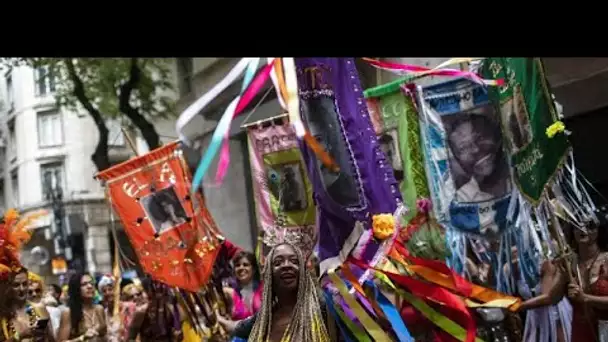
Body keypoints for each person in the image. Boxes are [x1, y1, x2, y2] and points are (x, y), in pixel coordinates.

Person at [220, 243, 330, 342]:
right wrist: (217, 317)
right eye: (278, 262)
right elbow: (236, 328)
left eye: (294, 261)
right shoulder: (264, 317)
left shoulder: (324, 308)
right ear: (268, 275)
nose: (286, 265)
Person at [446, 113, 511, 203]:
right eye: (464, 147)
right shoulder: (462, 200)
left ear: (496, 136)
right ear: (457, 159)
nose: (476, 149)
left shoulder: (519, 173)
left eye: (480, 138)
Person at [57, 273, 106, 342]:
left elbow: (104, 335)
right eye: (84, 284)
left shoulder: (99, 309)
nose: (89, 286)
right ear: (76, 289)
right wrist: (83, 338)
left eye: (91, 283)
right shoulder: (68, 312)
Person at [222, 251, 263, 321]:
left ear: (254, 269)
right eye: (237, 265)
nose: (241, 268)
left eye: (245, 265)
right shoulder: (229, 292)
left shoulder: (263, 288)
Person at [97, 275, 140, 342]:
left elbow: (136, 333)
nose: (107, 293)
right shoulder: (104, 313)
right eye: (104, 291)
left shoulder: (130, 307)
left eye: (110, 289)